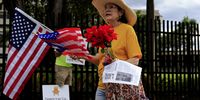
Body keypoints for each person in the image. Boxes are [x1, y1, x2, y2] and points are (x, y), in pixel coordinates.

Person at [71, 0, 148, 99]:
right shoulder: (104, 31)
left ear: (120, 13)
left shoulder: (127, 29)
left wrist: (115, 66)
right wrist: (83, 55)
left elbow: (135, 60)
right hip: (102, 86)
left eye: (112, 7)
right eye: (106, 8)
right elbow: (100, 60)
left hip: (120, 88)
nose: (107, 9)